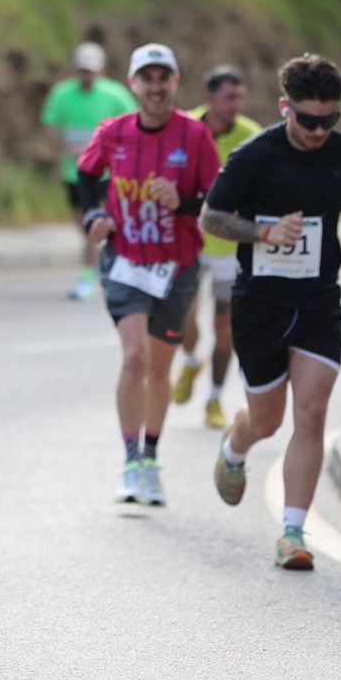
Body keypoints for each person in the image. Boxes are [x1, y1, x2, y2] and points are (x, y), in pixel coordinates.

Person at [203, 53, 341, 571]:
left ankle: (292, 533)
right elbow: (212, 216)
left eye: (329, 119)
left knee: (312, 414)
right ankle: (235, 447)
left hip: (319, 302)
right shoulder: (254, 156)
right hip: (260, 304)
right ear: (284, 109)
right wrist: (261, 232)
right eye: (308, 120)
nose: (319, 130)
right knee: (267, 421)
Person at [78, 44, 221, 507]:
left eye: (164, 78)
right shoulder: (114, 133)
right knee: (134, 358)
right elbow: (86, 177)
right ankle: (130, 460)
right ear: (134, 83)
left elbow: (216, 202)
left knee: (159, 368)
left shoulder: (195, 136)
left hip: (177, 265)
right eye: (147, 78)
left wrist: (182, 202)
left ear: (175, 83)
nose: (156, 87)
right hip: (125, 259)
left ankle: (152, 458)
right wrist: (94, 216)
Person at [172, 66, 261, 428]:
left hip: (229, 250)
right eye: (229, 97)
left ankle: (213, 399)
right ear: (209, 98)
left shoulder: (251, 137)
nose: (235, 104)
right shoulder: (185, 129)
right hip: (189, 243)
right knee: (181, 321)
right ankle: (192, 361)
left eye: (240, 97)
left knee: (225, 328)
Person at [42, 42, 138, 301]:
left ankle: (86, 276)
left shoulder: (115, 95)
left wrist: (112, 149)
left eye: (91, 71)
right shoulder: (62, 94)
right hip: (73, 173)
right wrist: (65, 146)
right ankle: (103, 262)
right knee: (85, 226)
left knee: (93, 222)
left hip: (106, 174)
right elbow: (49, 125)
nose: (87, 76)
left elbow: (134, 125)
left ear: (101, 70)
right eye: (83, 70)